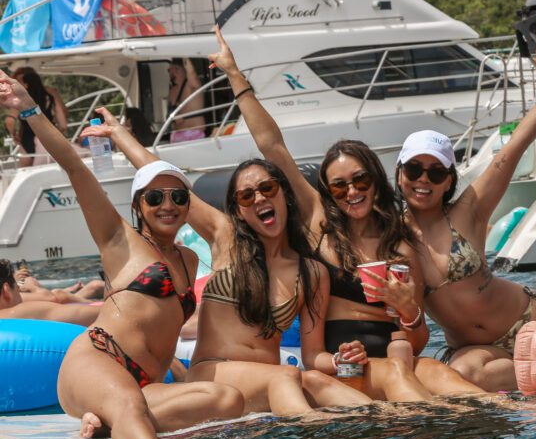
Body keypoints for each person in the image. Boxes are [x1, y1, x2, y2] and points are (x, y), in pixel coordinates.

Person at [207, 28, 484, 399]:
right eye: (339, 186)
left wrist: (408, 310)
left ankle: (512, 432)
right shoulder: (318, 224)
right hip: (345, 364)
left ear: (375, 179)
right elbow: (273, 147)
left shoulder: (399, 246)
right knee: (405, 379)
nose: (351, 191)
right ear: (329, 192)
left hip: (396, 357)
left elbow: (415, 340)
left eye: (360, 180)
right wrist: (234, 75)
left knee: (452, 382)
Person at [0, 70, 244, 439]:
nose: (168, 205)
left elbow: (165, 330)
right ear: (138, 205)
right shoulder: (119, 240)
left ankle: (108, 419)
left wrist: (179, 373)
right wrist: (29, 108)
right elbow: (74, 167)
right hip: (97, 361)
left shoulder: (190, 257)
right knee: (129, 404)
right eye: (155, 197)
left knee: (228, 398)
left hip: (145, 383)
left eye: (179, 198)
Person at [82, 109, 373, 416]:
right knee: (287, 377)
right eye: (247, 197)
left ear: (284, 195)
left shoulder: (311, 272)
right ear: (239, 209)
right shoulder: (228, 239)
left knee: (315, 380)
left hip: (267, 381)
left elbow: (313, 356)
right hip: (214, 373)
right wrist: (119, 135)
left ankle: (391, 423)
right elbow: (164, 179)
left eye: (267, 189)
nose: (259, 199)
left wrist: (340, 361)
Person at [395, 40, 536, 392]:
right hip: (476, 350)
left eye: (436, 172)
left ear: (448, 181)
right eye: (414, 169)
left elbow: (515, 145)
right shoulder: (390, 236)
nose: (423, 180)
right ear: (399, 173)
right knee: (466, 377)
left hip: (527, 318)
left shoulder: (468, 211)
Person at [0, 258, 100, 326]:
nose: (19, 289)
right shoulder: (21, 313)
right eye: (16, 288)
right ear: (6, 291)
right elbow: (99, 314)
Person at [11, 67, 67, 167]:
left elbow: (9, 120)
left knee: (28, 171)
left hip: (27, 140)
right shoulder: (50, 93)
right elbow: (63, 123)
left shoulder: (19, 98)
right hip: (50, 137)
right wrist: (57, 133)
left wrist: (14, 135)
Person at [167, 58, 206, 143]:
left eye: (177, 69)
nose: (173, 72)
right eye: (170, 70)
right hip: (175, 136)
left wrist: (184, 55)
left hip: (193, 135)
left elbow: (192, 73)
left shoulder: (192, 85)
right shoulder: (172, 90)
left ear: (184, 70)